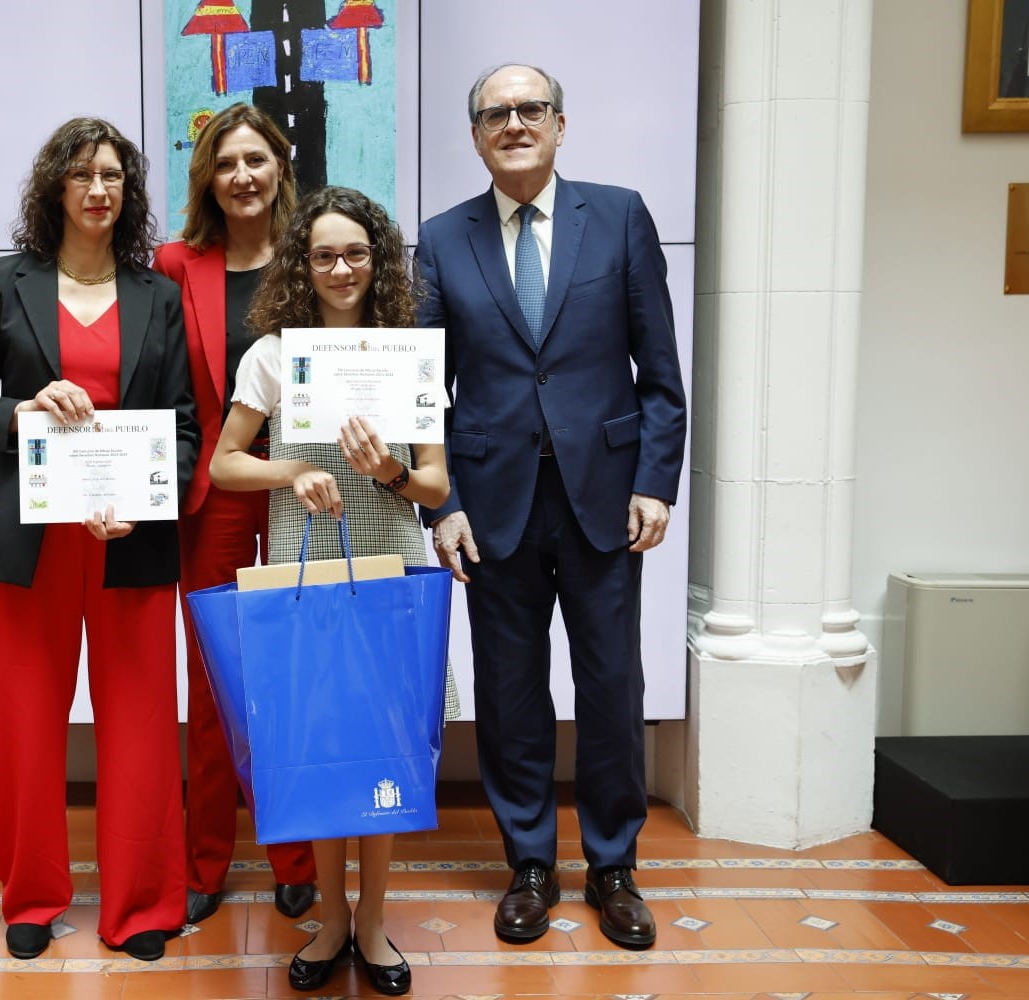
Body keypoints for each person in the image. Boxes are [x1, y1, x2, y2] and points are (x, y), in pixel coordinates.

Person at [414, 63, 687, 951]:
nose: (516, 123)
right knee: (510, 688)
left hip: (604, 499)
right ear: (477, 135)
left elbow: (661, 373)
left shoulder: (617, 214)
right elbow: (426, 391)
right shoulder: (442, 238)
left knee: (612, 684)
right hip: (492, 506)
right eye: (498, 113)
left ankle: (614, 865)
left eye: (532, 109)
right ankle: (530, 861)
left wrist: (655, 480)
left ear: (561, 125)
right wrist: (442, 502)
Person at [0, 117, 199, 964]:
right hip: (26, 543)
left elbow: (187, 428)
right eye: (83, 174)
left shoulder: (157, 294)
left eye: (115, 177)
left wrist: (149, 501)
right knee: (23, 725)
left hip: (127, 537)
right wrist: (20, 412)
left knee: (138, 726)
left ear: (128, 194)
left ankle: (142, 906)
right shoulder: (1, 282)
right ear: (54, 185)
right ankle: (32, 895)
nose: (99, 190)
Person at [211, 186, 450, 996]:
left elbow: (436, 485)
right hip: (304, 565)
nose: (341, 267)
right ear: (301, 266)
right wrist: (298, 469)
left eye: (355, 252)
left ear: (377, 258)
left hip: (387, 562)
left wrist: (391, 472)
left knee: (381, 742)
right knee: (317, 741)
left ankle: (374, 922)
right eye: (323, 255)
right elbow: (224, 463)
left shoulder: (407, 352)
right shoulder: (275, 354)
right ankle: (334, 920)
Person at [151, 102, 317, 927]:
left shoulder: (316, 254)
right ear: (207, 179)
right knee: (216, 681)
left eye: (256, 160)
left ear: (280, 166)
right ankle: (205, 860)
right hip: (211, 501)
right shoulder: (176, 264)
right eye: (226, 164)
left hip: (304, 492)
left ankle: (295, 857)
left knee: (292, 673)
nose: (243, 176)